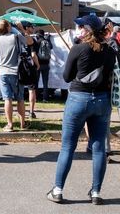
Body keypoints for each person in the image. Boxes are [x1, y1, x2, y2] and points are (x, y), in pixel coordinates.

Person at [47, 15, 115, 205]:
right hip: (102, 100)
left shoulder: (78, 48)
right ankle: (95, 192)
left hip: (78, 99)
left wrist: (77, 60)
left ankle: (58, 190)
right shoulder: (110, 51)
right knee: (99, 147)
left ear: (88, 30)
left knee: (68, 146)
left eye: (79, 26)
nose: (76, 29)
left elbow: (67, 77)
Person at [0, 20, 32, 132]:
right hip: (16, 72)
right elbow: (30, 42)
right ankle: (22, 124)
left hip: (3, 72)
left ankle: (10, 124)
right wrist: (22, 29)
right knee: (20, 99)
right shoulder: (16, 37)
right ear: (9, 27)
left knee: (7, 99)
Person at [21, 21, 40, 118]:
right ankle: (31, 111)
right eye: (32, 27)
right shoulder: (32, 40)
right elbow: (33, 55)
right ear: (27, 28)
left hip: (19, 66)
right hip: (30, 66)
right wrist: (37, 65)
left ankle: (20, 112)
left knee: (19, 90)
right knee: (32, 90)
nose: (33, 28)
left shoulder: (17, 38)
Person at [35, 29, 53, 102]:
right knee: (45, 82)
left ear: (38, 35)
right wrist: (48, 39)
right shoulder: (47, 41)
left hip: (38, 64)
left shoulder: (37, 42)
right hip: (46, 65)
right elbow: (51, 47)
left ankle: (35, 97)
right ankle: (45, 98)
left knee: (36, 82)